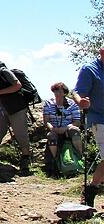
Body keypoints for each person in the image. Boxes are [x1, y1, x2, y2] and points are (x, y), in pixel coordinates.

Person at [0, 56, 31, 174]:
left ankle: (25, 160)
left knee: (21, 133)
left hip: (17, 108)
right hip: (4, 109)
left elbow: (17, 85)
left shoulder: (5, 72)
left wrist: (0, 92)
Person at [73, 45, 104, 206]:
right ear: (102, 53)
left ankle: (92, 189)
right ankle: (90, 190)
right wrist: (81, 102)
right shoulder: (90, 69)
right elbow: (77, 92)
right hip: (99, 119)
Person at [44, 82, 82, 163]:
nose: (57, 93)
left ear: (64, 93)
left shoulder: (72, 104)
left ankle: (80, 158)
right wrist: (52, 129)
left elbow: (77, 122)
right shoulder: (48, 103)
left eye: (59, 91)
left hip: (68, 129)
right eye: (55, 91)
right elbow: (46, 121)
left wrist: (66, 128)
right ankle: (55, 161)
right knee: (51, 136)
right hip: (54, 129)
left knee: (75, 131)